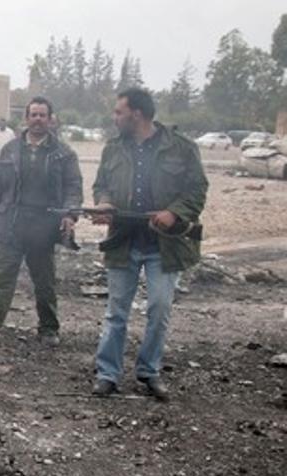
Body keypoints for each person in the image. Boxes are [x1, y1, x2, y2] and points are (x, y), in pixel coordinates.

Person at [89, 88, 208, 401]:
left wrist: (174, 213)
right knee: (116, 312)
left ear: (137, 113)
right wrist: (103, 204)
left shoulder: (181, 148)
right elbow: (102, 185)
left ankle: (148, 371)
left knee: (159, 309)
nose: (114, 117)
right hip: (123, 241)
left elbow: (197, 190)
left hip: (164, 245)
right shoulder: (113, 149)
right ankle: (107, 373)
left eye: (119, 112)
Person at [0, 97, 83, 349]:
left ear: (51, 119)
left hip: (44, 229)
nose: (38, 119)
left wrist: (70, 215)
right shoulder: (10, 150)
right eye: (34, 115)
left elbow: (73, 188)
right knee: (0, 282)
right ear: (26, 118)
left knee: (45, 283)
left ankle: (49, 329)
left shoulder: (64, 153)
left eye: (43, 115)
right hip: (10, 226)